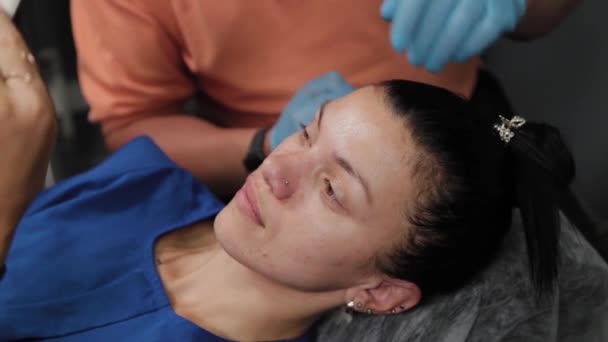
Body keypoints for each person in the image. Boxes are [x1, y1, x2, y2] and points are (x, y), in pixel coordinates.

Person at [0, 11, 593, 341]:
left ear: (379, 292)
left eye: (332, 192)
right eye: (307, 131)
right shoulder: (142, 184)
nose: (279, 167)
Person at [70, 0, 581, 199]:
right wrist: (268, 143)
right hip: (266, 161)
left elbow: (550, 12)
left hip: (461, 115)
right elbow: (133, 124)